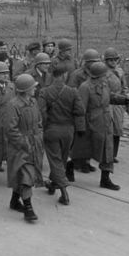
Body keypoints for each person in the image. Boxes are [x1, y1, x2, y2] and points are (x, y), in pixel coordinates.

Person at [38, 64, 85, 206]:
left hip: (52, 130)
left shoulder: (44, 92)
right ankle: (53, 185)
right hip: (68, 131)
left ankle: (64, 193)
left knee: (55, 160)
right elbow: (80, 110)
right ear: (64, 75)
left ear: (53, 76)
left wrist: (45, 126)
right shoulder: (73, 91)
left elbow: (41, 112)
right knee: (61, 160)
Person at [72, 62, 122, 190]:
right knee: (83, 150)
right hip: (91, 123)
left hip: (106, 121)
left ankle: (105, 179)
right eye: (104, 75)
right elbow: (80, 109)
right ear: (98, 76)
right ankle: (69, 167)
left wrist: (122, 100)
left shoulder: (104, 84)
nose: (106, 77)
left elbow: (108, 97)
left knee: (107, 150)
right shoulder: (85, 87)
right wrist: (80, 127)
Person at [6, 73, 45, 222]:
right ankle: (28, 208)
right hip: (20, 147)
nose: (35, 89)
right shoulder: (13, 105)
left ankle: (14, 201)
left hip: (34, 143)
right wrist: (24, 143)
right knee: (27, 175)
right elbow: (11, 130)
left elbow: (39, 121)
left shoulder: (33, 102)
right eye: (32, 87)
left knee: (22, 175)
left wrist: (39, 136)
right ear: (25, 89)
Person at [104, 47, 129, 162]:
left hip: (118, 103)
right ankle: (105, 154)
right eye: (110, 60)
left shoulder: (120, 71)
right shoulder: (103, 72)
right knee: (107, 129)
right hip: (107, 102)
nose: (113, 62)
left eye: (115, 59)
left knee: (118, 129)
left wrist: (127, 101)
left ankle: (114, 154)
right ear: (106, 61)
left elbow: (125, 87)